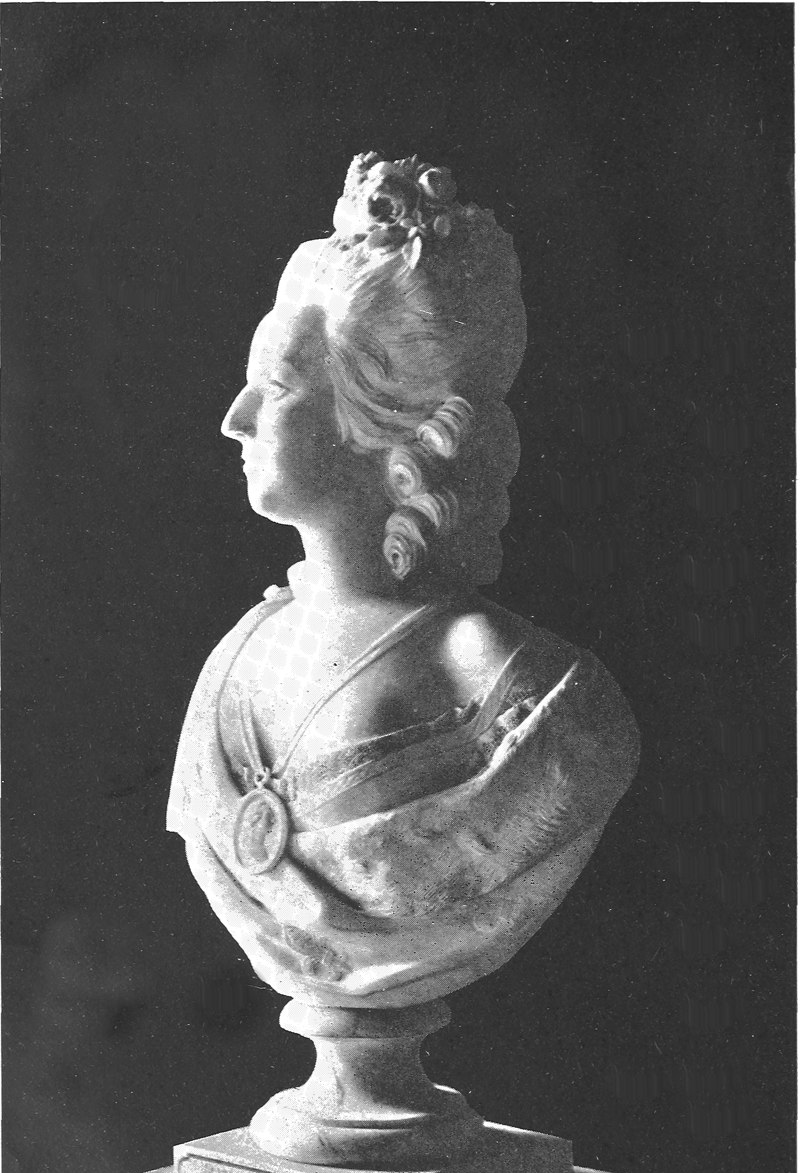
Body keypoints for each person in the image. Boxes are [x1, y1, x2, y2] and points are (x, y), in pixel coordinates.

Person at [167, 154, 639, 1009]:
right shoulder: (241, 657)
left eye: (275, 386)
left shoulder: (527, 694)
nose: (234, 419)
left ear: (385, 421)